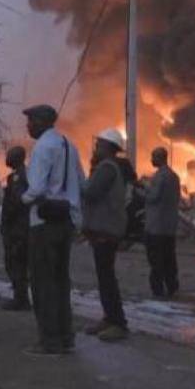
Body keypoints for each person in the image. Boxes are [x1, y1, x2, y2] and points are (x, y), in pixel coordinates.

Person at [20, 104, 85, 356]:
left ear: (42, 121)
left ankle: (49, 341)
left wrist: (22, 199)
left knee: (43, 283)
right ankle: (66, 336)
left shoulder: (43, 147)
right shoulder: (69, 145)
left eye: (30, 121)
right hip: (65, 222)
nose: (28, 126)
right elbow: (81, 183)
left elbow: (35, 189)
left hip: (44, 224)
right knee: (60, 281)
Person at [80, 128, 129, 342]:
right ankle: (109, 318)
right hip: (104, 229)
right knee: (104, 277)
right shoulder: (107, 167)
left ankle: (118, 323)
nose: (96, 147)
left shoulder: (107, 168)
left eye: (99, 144)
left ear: (109, 148)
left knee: (107, 278)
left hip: (106, 230)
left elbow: (91, 192)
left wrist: (78, 181)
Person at [144, 147, 181, 298]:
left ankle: (157, 289)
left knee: (156, 259)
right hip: (170, 226)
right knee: (169, 258)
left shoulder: (159, 177)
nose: (151, 160)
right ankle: (172, 286)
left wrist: (144, 189)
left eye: (153, 157)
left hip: (156, 226)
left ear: (160, 158)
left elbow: (153, 197)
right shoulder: (174, 176)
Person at [1, 146, 32, 311]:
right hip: (18, 226)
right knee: (16, 262)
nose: (7, 158)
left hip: (17, 228)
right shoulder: (19, 175)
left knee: (15, 263)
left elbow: (17, 202)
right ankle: (20, 297)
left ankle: (20, 299)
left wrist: (8, 221)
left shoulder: (19, 177)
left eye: (9, 155)